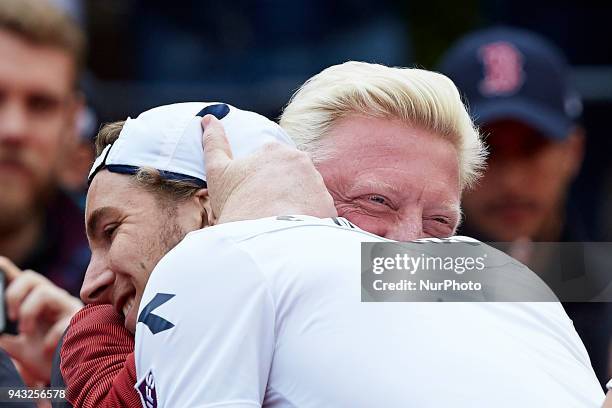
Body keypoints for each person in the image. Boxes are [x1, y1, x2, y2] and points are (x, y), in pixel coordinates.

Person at [64, 83, 600, 407]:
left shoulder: (222, 255)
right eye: (376, 203)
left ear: (211, 205)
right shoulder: (500, 273)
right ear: (297, 179)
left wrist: (85, 337)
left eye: (441, 224)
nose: (406, 250)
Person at [438, 26, 612, 388]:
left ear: (573, 152)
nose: (512, 181)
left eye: (532, 148)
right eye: (486, 149)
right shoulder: (391, 272)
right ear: (443, 159)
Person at [0, 0, 89, 386]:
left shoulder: (116, 295)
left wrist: (85, 375)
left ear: (72, 123)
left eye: (41, 105)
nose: (13, 129)